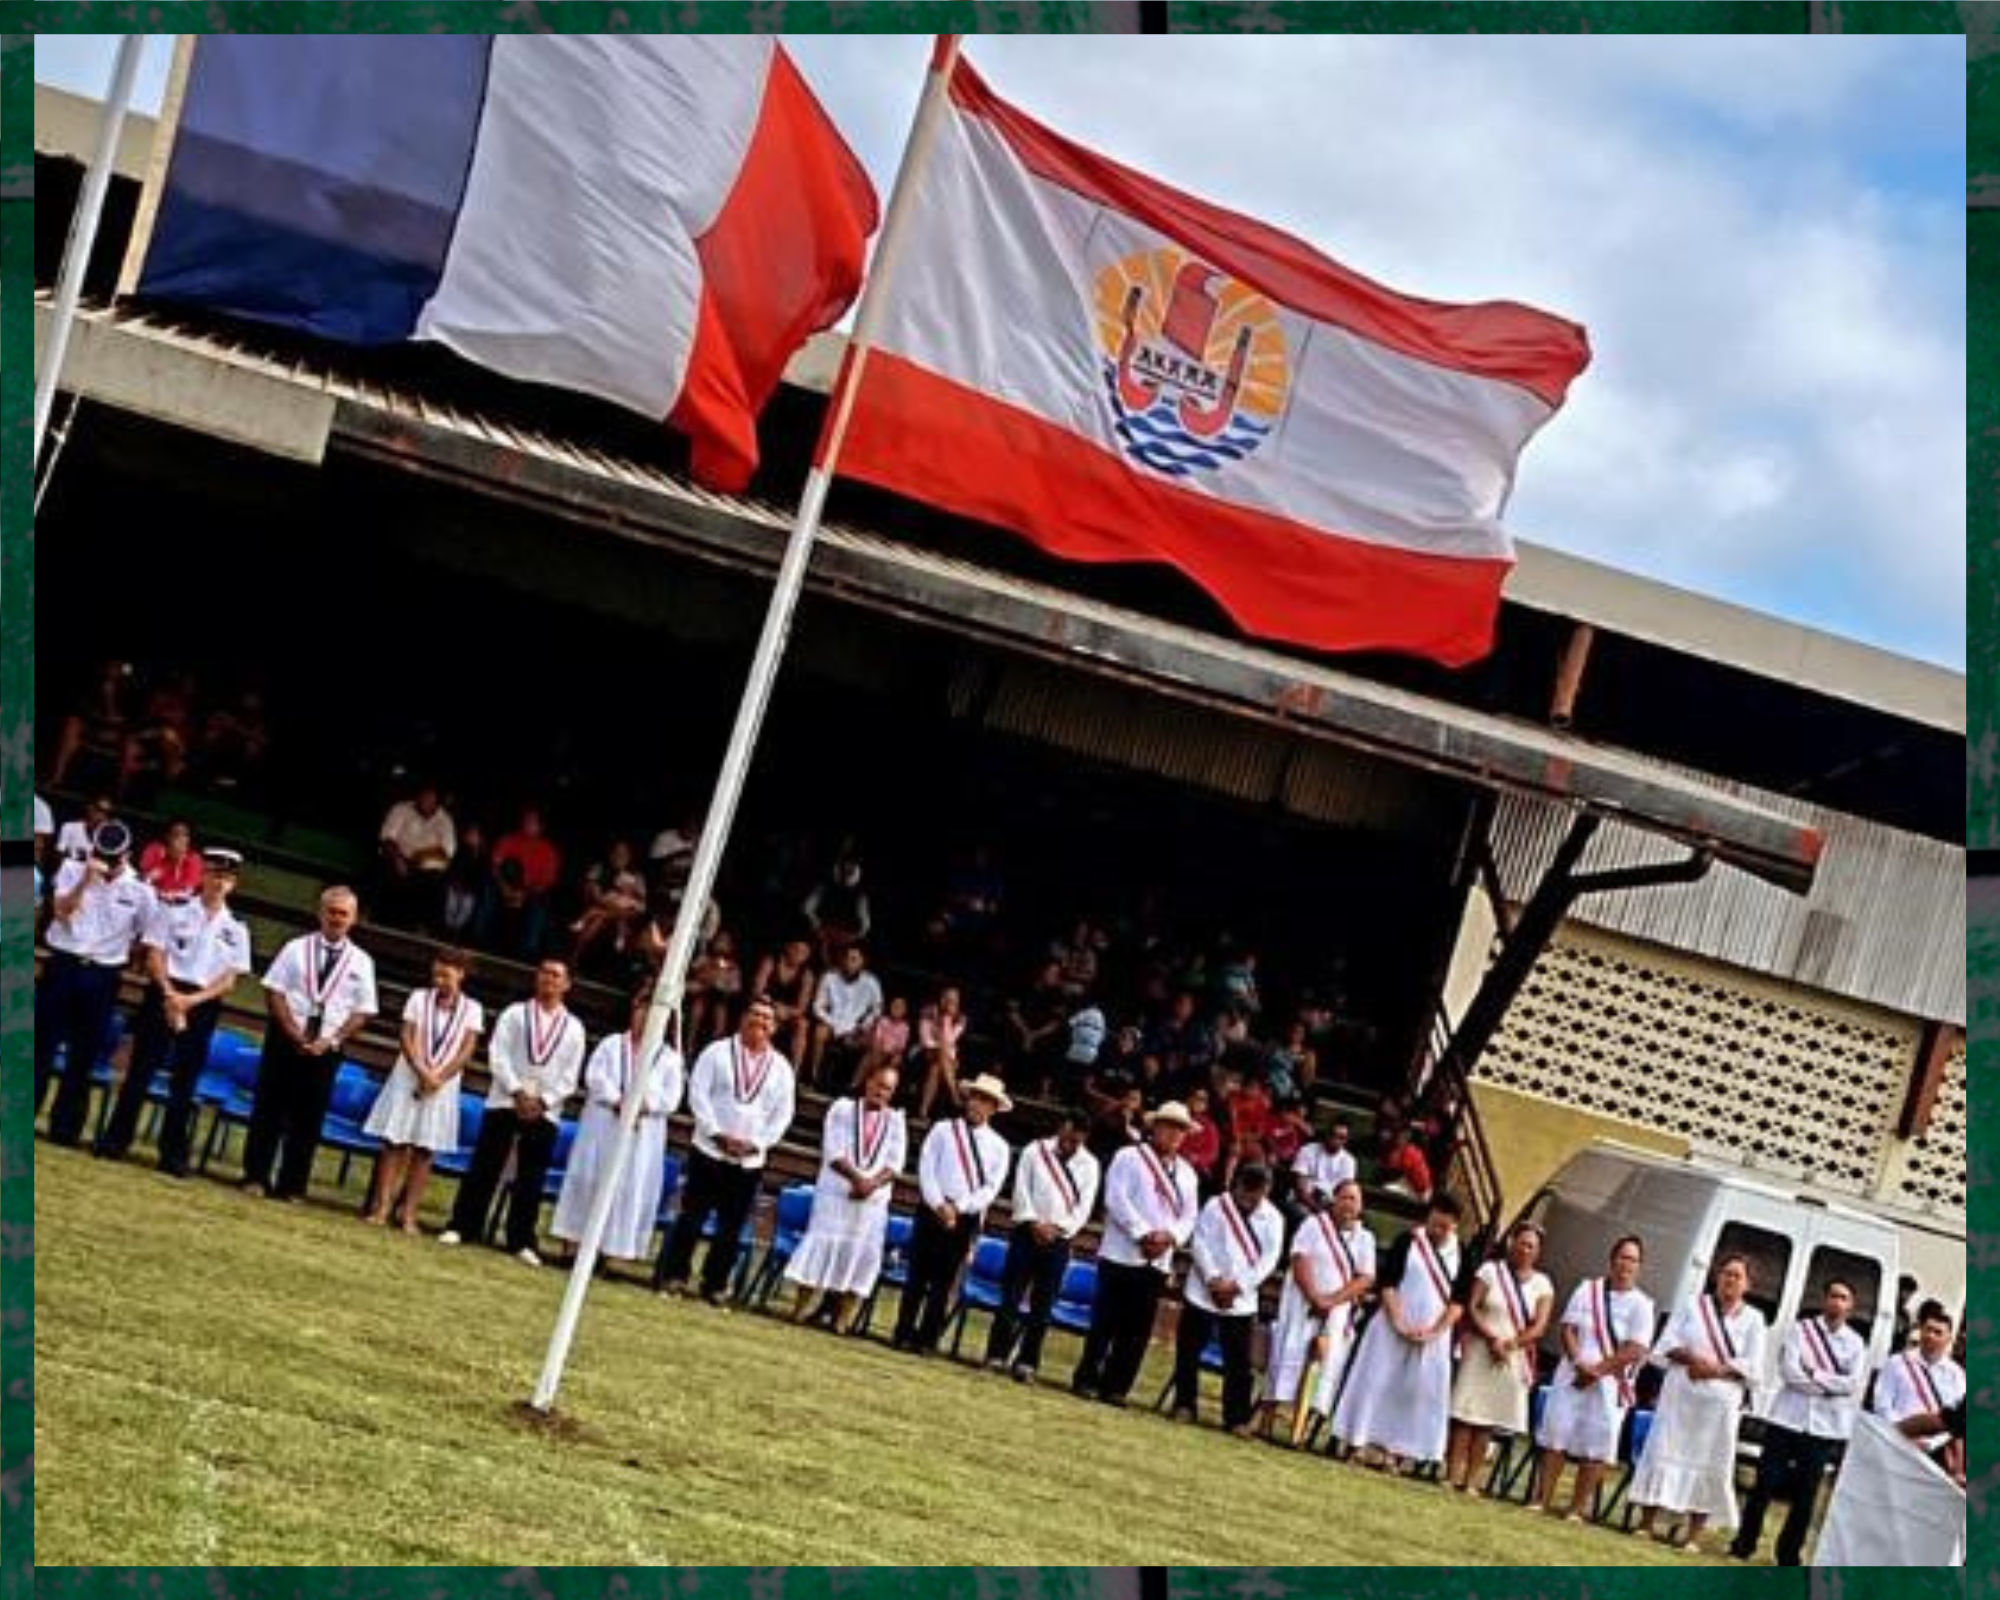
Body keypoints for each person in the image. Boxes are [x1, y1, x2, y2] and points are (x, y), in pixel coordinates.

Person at [93, 847, 253, 1174]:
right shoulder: (174, 909)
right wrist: (169, 993)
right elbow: (154, 953)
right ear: (203, 876)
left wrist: (189, 1002)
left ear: (234, 884)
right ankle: (115, 1141)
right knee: (141, 1071)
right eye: (214, 875)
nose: (219, 883)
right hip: (164, 992)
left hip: (202, 1003)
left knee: (185, 1081)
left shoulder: (237, 928)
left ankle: (173, 1155)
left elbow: (229, 980)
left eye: (226, 878)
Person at [438, 958, 585, 1263]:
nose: (549, 979)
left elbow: (571, 1076)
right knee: (484, 1166)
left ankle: (521, 1241)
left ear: (567, 984)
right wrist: (517, 1091)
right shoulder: (515, 1013)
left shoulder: (573, 1027)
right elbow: (498, 1055)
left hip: (545, 1110)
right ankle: (463, 1226)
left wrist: (543, 1101)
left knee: (531, 1177)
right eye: (544, 972)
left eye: (556, 975)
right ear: (536, 977)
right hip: (505, 1099)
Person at [240, 887, 379, 1200]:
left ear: (353, 919)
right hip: (286, 1040)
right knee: (269, 1110)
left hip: (326, 1048)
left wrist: (333, 1039)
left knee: (309, 1118)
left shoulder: (361, 962)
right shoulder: (295, 948)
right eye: (331, 911)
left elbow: (364, 1010)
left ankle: (292, 1186)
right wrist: (292, 1030)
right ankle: (256, 1177)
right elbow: (274, 990)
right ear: (320, 913)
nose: (336, 918)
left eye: (343, 913)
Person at [655, 995, 797, 1305]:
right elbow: (698, 1094)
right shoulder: (717, 1052)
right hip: (709, 1150)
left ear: (774, 1027)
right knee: (691, 1218)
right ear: (743, 1017)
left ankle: (715, 1284)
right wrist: (717, 1133)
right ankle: (675, 1275)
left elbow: (782, 1116)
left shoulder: (782, 1069)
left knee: (731, 1228)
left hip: (748, 1160)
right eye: (755, 1014)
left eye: (766, 1018)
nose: (759, 1021)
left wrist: (755, 1143)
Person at [1630, 1254, 1768, 1549]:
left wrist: (1715, 1369)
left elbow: (1754, 1367)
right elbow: (1666, 1344)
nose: (1729, 1280)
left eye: (1737, 1276)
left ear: (1748, 1285)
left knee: (1710, 1464)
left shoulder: (1755, 1320)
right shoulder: (1693, 1305)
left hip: (1719, 1408)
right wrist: (1693, 1358)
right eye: (1725, 1273)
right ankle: (1646, 1524)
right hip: (1680, 1397)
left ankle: (1692, 1536)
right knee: (1662, 1451)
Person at [1729, 1280, 1869, 1566]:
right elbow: (1790, 1373)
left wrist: (1815, 1373)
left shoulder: (1855, 1343)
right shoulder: (1801, 1329)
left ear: (1851, 1306)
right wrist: (1829, 1383)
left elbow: (1852, 1384)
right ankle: (1744, 1544)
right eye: (1832, 1295)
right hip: (1786, 1419)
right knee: (1763, 1486)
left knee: (1805, 1497)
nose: (1837, 1302)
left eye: (1843, 1297)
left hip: (1823, 1428)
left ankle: (1789, 1554)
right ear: (1824, 1298)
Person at [1072, 1099, 1200, 1408]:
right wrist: (1142, 1232)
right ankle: (1087, 1379)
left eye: (1180, 1129)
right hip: (1121, 1252)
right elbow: (1116, 1198)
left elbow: (1189, 1216)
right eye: (1169, 1126)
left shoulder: (1187, 1174)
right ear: (1155, 1127)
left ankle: (1117, 1387)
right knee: (1105, 1321)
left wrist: (1169, 1237)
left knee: (1137, 1329)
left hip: (1158, 1259)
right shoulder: (1129, 1156)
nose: (1174, 1134)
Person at [36, 820, 156, 1144]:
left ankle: (65, 1127)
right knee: (41, 1044)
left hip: (103, 972)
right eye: (101, 855)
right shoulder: (73, 868)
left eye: (113, 859)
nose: (106, 864)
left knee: (84, 1053)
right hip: (64, 962)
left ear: (126, 856)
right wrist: (86, 882)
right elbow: (60, 911)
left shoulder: (141, 890)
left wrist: (120, 955)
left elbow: (146, 936)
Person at [1331, 1192, 1466, 1473]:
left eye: (1444, 1227)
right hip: (1392, 1326)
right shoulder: (1408, 1241)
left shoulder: (1462, 1253)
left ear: (1455, 1226)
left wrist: (1435, 1331)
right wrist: (1399, 1321)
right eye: (1434, 1224)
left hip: (1432, 1336)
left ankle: (1396, 1452)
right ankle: (1357, 1444)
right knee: (1374, 1381)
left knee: (1411, 1393)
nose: (1438, 1231)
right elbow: (1388, 1283)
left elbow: (1458, 1301)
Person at [552, 989, 686, 1266]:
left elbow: (670, 1098)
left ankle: (614, 1254)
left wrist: (641, 1105)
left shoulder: (670, 1058)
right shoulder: (611, 1044)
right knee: (588, 1178)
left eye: (653, 1014)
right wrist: (617, 1100)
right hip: (602, 1124)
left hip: (641, 1131)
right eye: (642, 1010)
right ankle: (573, 1246)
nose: (646, 1018)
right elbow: (595, 1076)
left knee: (629, 1187)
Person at [359, 947, 483, 1231]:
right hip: (408, 1076)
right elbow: (406, 1035)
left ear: (460, 975)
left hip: (444, 1083)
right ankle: (382, 1206)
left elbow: (467, 1048)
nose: (440, 981)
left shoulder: (472, 1009)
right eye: (436, 974)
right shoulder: (418, 998)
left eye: (446, 976)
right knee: (394, 1142)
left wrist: (439, 1077)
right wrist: (421, 1070)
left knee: (426, 1149)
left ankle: (408, 1213)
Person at [1533, 1235, 1656, 1521]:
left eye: (1633, 1260)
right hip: (1573, 1374)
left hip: (1610, 1384)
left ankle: (1576, 1509)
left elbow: (1636, 1348)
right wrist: (1579, 1362)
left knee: (1597, 1444)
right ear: (1612, 1259)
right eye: (1623, 1257)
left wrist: (1598, 1371)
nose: (1627, 1264)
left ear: (1639, 1267)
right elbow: (1568, 1328)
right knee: (1557, 1435)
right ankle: (1541, 1499)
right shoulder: (1588, 1289)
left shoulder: (1642, 1304)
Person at [785, 1058, 908, 1332]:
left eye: (888, 1089)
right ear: (868, 1082)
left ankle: (842, 1320)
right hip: (837, 1192)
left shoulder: (896, 1122)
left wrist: (871, 1184)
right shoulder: (842, 1109)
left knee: (860, 1254)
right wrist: (857, 1179)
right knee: (821, 1245)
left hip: (871, 1202)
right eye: (878, 1085)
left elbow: (895, 1164)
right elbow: (833, 1150)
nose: (881, 1092)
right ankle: (799, 1309)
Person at [894, 1073, 1012, 1355]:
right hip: (931, 1209)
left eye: (985, 1100)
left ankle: (927, 1339)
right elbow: (926, 1168)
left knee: (944, 1281)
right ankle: (903, 1333)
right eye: (975, 1097)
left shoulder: (999, 1147)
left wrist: (958, 1208)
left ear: (994, 1108)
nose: (977, 1104)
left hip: (964, 1216)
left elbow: (990, 1189)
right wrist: (938, 1204)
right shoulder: (943, 1130)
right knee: (917, 1276)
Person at [984, 1106, 1100, 1383]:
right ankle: (996, 1355)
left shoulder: (1090, 1165)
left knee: (1043, 1305)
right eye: (1067, 1137)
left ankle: (1027, 1362)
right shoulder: (1035, 1151)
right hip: (1027, 1232)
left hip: (1059, 1240)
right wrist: (1033, 1222)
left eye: (1077, 1140)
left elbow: (1084, 1208)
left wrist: (1059, 1229)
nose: (1070, 1144)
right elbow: (1021, 1190)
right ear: (1061, 1128)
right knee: (1010, 1296)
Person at [1258, 1177, 1375, 1442]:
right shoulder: (1313, 1225)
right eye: (1344, 1197)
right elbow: (1299, 1258)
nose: (1349, 1204)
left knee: (1324, 1368)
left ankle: (1299, 1432)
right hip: (1302, 1304)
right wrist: (1315, 1297)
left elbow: (1366, 1278)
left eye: (1354, 1199)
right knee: (1286, 1358)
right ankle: (1265, 1422)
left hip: (1336, 1312)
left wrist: (1331, 1301)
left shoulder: (1364, 1238)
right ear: (1334, 1199)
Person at [1172, 1162, 1284, 1435]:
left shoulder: (1274, 1218)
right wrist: (1213, 1279)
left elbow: (1268, 1260)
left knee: (1239, 1362)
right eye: (1245, 1189)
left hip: (1240, 1299)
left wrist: (1238, 1286)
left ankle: (1236, 1418)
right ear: (1236, 1184)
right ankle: (1184, 1404)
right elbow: (1200, 1242)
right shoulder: (1216, 1206)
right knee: (1188, 1350)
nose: (1248, 1197)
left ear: (1266, 1191)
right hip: (1204, 1289)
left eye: (1256, 1192)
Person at [1446, 1219, 1555, 1494]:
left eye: (1532, 1246)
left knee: (1486, 1422)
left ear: (1538, 1251)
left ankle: (1472, 1481)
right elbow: (1472, 1306)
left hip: (1512, 1355)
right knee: (1465, 1415)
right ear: (1512, 1242)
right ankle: (1451, 1475)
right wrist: (1492, 1338)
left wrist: (1510, 1344)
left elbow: (1540, 1326)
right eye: (1522, 1242)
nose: (1526, 1249)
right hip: (1481, 1348)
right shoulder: (1491, 1270)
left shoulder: (1543, 1284)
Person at [1872, 1299, 1967, 1482]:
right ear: (1920, 1331)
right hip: (1896, 1443)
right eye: (1927, 1329)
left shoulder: (1956, 1375)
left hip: (1936, 1452)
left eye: (1938, 1332)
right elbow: (1882, 1406)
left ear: (1949, 1339)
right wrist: (1904, 1435)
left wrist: (1932, 1444)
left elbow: (1957, 1420)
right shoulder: (1897, 1363)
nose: (1930, 1336)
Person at [376, 783, 457, 931]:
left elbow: (447, 853)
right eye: (425, 796)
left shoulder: (445, 820)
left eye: (432, 798)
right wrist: (398, 859)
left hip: (424, 865)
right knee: (385, 868)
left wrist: (419, 860)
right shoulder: (401, 809)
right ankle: (379, 919)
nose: (427, 801)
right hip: (396, 857)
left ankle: (420, 927)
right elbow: (387, 838)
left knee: (436, 881)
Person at [807, 943, 884, 1090]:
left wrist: (862, 1027)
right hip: (833, 1024)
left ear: (862, 962)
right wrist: (834, 1025)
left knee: (875, 1045)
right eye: (847, 958)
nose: (850, 962)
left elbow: (877, 1009)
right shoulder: (829, 977)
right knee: (819, 1032)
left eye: (854, 959)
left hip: (857, 1028)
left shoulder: (871, 982)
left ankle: (853, 1086)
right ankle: (814, 1077)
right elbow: (817, 1006)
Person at [912, 983, 969, 1120]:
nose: (950, 1002)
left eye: (954, 1000)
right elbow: (925, 1039)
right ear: (941, 998)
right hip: (923, 1052)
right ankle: (954, 1093)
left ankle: (923, 1110)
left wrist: (946, 1020)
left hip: (943, 1059)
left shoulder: (961, 1018)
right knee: (940, 1056)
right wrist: (942, 1049)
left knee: (936, 1068)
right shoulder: (928, 1011)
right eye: (947, 998)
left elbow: (950, 1041)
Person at [1290, 1117, 1358, 1220]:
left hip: (1330, 1205)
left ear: (1346, 1140)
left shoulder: (1349, 1161)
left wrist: (1330, 1210)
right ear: (1326, 1134)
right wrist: (1318, 1210)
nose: (1336, 1139)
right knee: (1303, 1214)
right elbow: (1300, 1190)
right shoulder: (1307, 1150)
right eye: (1333, 1134)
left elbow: (1344, 1193)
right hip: (1304, 1201)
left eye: (1341, 1137)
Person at [137, 819, 202, 903]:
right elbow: (143, 880)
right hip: (151, 901)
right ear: (167, 836)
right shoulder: (154, 850)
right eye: (176, 834)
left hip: (177, 908)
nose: (181, 839)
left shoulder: (194, 859)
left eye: (185, 835)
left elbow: (187, 892)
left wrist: (179, 863)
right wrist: (167, 862)